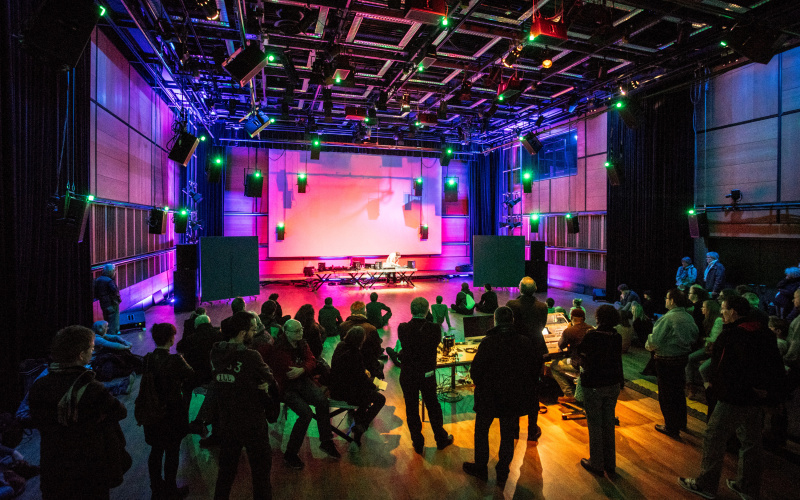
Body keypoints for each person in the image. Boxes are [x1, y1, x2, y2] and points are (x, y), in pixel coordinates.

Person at [679, 296, 787, 500]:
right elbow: (775, 367)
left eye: (724, 309)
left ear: (734, 312)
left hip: (734, 397)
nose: (721, 313)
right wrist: (771, 395)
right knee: (752, 443)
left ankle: (706, 484)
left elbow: (724, 368)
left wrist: (714, 388)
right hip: (756, 398)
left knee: (713, 437)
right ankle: (747, 487)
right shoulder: (765, 333)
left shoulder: (732, 335)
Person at [28, 325, 131, 499]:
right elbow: (120, 412)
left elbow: (37, 420)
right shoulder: (90, 388)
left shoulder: (39, 386)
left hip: (53, 465)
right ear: (81, 355)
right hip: (89, 467)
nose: (93, 352)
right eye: (91, 349)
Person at [462, 307, 538, 487]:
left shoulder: (488, 342)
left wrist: (481, 385)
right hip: (512, 397)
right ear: (512, 320)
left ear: (495, 321)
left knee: (481, 431)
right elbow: (532, 370)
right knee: (508, 434)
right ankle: (503, 472)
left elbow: (476, 371)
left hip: (488, 396)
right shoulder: (524, 341)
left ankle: (481, 468)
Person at [258, 319, 340, 469]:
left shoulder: (302, 343)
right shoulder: (279, 348)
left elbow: (311, 360)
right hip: (286, 387)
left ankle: (326, 441)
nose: (301, 333)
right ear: (287, 333)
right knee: (306, 414)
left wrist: (302, 369)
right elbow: (290, 371)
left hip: (301, 380)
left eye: (301, 329)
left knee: (322, 401)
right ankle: (290, 454)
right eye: (297, 331)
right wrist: (304, 368)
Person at [211, 311, 276, 499]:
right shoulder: (252, 356)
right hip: (252, 423)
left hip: (228, 422)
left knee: (225, 473)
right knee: (261, 474)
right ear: (242, 333)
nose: (254, 333)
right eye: (252, 330)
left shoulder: (216, 352)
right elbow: (269, 379)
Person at [142, 323, 194, 499]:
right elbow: (191, 375)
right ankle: (171, 489)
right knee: (172, 452)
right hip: (172, 413)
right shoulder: (176, 360)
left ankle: (156, 487)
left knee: (156, 451)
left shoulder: (147, 359)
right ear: (171, 338)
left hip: (152, 412)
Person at [397, 297, 454, 454]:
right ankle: (441, 439)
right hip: (427, 375)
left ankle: (418, 442)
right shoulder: (435, 329)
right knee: (433, 407)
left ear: (411, 310)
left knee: (412, 409)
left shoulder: (402, 328)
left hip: (408, 375)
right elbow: (433, 343)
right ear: (427, 311)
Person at [576, 305, 624, 478]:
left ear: (598, 318)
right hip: (613, 384)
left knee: (595, 424)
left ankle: (596, 463)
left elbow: (580, 356)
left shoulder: (593, 336)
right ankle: (610, 464)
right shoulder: (616, 336)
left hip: (595, 384)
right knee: (608, 423)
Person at [646, 288, 699, 440]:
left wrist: (649, 345)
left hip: (666, 359)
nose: (665, 301)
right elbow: (694, 335)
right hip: (681, 359)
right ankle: (681, 422)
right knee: (678, 392)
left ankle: (671, 427)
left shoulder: (667, 319)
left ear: (672, 301)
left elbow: (654, 341)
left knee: (666, 394)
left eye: (667, 298)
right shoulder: (688, 317)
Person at [505, 276, 549, 441]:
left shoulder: (512, 305)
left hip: (516, 351)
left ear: (520, 289)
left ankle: (515, 430)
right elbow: (541, 326)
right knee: (533, 389)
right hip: (536, 352)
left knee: (514, 389)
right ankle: (532, 429)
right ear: (535, 288)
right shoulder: (542, 306)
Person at [329, 326, 386, 446]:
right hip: (347, 392)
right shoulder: (355, 354)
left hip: (336, 387)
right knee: (380, 399)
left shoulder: (341, 346)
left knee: (365, 397)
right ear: (361, 340)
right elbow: (360, 379)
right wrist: (375, 384)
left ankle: (360, 425)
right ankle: (362, 425)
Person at [551, 308, 593, 404]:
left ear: (571, 317)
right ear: (584, 318)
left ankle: (569, 394)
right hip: (590, 364)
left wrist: (568, 329)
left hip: (578, 364)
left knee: (554, 365)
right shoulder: (591, 329)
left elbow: (561, 345)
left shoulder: (569, 331)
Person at [685, 300, 723, 400]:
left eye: (704, 307)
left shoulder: (718, 320)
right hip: (709, 348)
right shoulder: (707, 319)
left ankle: (708, 390)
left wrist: (703, 339)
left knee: (703, 368)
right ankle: (691, 386)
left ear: (710, 309)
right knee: (689, 358)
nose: (702, 309)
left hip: (715, 350)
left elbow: (714, 339)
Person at [340, 301, 384, 379]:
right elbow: (377, 351)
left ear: (351, 312)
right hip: (368, 363)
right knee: (381, 364)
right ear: (364, 312)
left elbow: (343, 344)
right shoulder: (371, 328)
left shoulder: (343, 326)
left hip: (349, 362)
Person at [94, 263, 122, 335]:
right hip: (112, 304)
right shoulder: (109, 281)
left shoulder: (98, 280)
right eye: (114, 271)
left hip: (103, 305)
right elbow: (115, 292)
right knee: (114, 325)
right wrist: (118, 301)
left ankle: (108, 338)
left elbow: (96, 293)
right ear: (110, 272)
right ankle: (113, 341)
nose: (114, 273)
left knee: (106, 322)